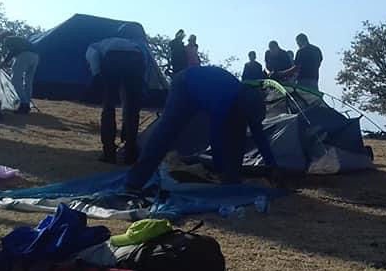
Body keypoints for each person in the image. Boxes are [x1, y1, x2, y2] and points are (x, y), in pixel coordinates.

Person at [122, 66, 276, 192]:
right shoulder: (223, 101)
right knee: (166, 133)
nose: (246, 122)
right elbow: (216, 138)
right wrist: (219, 168)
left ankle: (232, 182)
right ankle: (134, 182)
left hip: (207, 87)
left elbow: (258, 134)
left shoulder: (249, 103)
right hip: (185, 85)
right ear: (239, 109)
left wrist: (272, 166)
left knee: (238, 135)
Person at [86, 37, 147, 164]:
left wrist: (97, 75)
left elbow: (93, 57)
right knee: (132, 108)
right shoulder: (131, 43)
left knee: (109, 106)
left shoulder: (93, 46)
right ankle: (130, 152)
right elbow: (144, 58)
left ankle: (109, 152)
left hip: (113, 58)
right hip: (137, 58)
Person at [0, 31, 38, 114]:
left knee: (15, 80)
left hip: (24, 56)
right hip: (35, 57)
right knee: (28, 82)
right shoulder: (20, 39)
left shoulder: (7, 39)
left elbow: (12, 52)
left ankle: (24, 104)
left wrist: (3, 63)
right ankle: (27, 104)